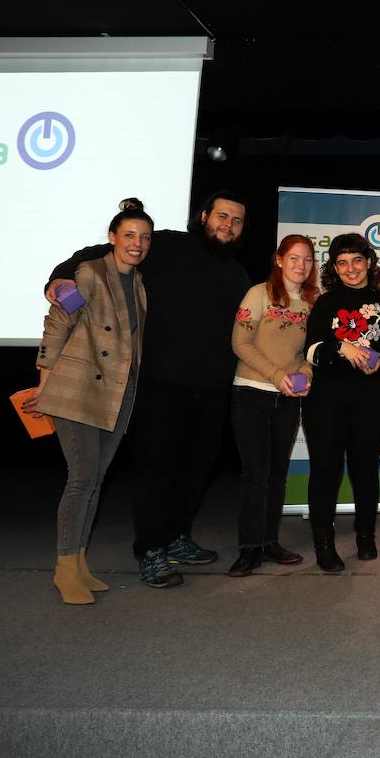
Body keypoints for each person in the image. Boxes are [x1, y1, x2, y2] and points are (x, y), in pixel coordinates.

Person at [46, 191, 250, 588]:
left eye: (237, 220)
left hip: (212, 391)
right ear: (204, 217)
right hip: (159, 387)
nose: (228, 225)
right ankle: (151, 549)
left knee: (197, 469)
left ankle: (177, 536)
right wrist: (61, 275)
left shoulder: (238, 273)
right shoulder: (168, 245)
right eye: (222, 216)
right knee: (157, 469)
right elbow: (98, 253)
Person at [26, 199, 152, 604]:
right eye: (129, 235)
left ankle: (79, 562)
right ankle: (64, 568)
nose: (136, 243)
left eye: (144, 237)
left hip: (118, 393)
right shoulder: (90, 273)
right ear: (112, 237)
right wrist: (44, 383)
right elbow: (58, 322)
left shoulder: (139, 284)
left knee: (96, 479)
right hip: (78, 388)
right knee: (81, 479)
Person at [302, 232, 380, 572]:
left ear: (369, 262)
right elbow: (310, 350)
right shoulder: (325, 302)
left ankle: (365, 535)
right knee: (325, 471)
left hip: (369, 402)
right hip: (325, 403)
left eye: (357, 260)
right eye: (342, 262)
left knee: (365, 470)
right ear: (334, 267)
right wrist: (340, 347)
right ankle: (324, 543)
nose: (350, 269)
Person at [226, 234, 318, 577]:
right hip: (251, 392)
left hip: (288, 398)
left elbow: (312, 351)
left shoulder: (312, 302)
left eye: (307, 259)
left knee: (278, 474)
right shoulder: (258, 294)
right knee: (256, 474)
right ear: (279, 260)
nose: (301, 265)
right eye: (294, 258)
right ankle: (249, 548)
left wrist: (306, 372)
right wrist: (277, 375)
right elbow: (240, 342)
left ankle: (269, 542)